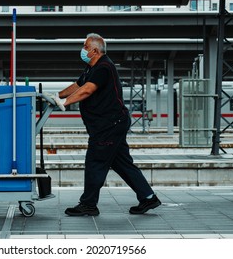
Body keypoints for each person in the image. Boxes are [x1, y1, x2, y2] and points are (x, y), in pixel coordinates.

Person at [51, 33, 161, 216]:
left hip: (108, 126)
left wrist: (65, 103)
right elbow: (78, 85)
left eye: (85, 47)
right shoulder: (91, 68)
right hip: (110, 124)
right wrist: (57, 97)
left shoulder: (104, 67)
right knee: (122, 163)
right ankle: (148, 197)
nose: (83, 50)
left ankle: (88, 204)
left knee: (95, 161)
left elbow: (87, 90)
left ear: (94, 50)